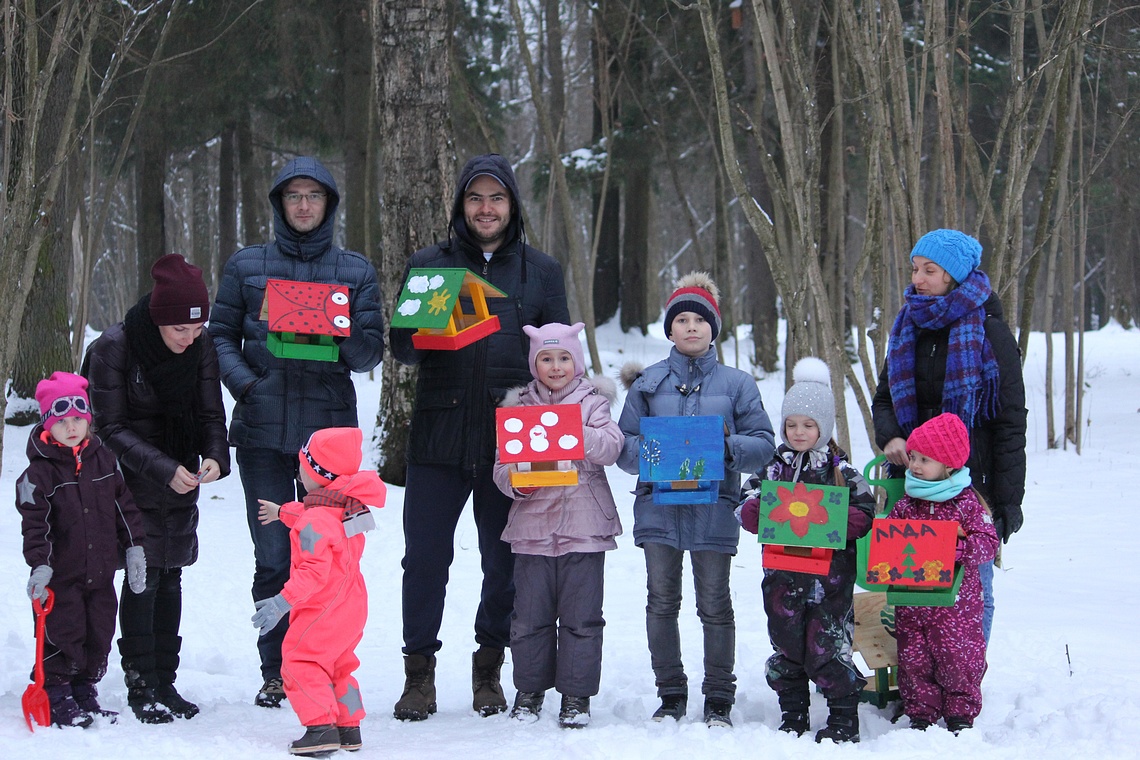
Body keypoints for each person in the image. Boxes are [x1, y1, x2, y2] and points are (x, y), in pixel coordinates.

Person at [390, 153, 570, 721]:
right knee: (423, 560)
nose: (485, 209)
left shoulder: (541, 272)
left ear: (512, 205)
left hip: (511, 440)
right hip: (437, 438)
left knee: (505, 561)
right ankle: (418, 674)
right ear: (460, 206)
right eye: (475, 198)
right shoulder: (430, 263)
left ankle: (489, 667)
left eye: (496, 198)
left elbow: (560, 353)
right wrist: (425, 320)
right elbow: (401, 349)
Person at [210, 156, 385, 707]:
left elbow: (370, 353)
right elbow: (217, 335)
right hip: (262, 431)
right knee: (273, 556)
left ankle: (321, 663)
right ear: (280, 204)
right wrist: (247, 385)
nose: (304, 205)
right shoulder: (247, 265)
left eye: (314, 196)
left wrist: (345, 331)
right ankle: (275, 669)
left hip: (328, 442)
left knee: (327, 558)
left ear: (329, 204)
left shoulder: (354, 270)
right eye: (294, 196)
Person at [617, 272, 775, 728]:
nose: (690, 327)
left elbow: (764, 443)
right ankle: (670, 693)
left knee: (715, 603)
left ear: (714, 328)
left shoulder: (739, 384)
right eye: (681, 319)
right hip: (658, 508)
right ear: (669, 329)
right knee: (661, 601)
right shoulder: (647, 383)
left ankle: (719, 697)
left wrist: (724, 448)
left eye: (699, 320)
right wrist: (654, 451)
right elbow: (624, 448)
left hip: (714, 507)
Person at [83, 254, 231, 724]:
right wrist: (162, 468)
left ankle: (165, 680)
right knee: (142, 574)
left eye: (197, 328)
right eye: (180, 330)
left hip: (180, 474)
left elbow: (211, 413)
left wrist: (214, 457)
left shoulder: (201, 346)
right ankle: (140, 681)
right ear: (158, 318)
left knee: (172, 575)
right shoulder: (115, 348)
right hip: (127, 480)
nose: (190, 339)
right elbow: (107, 426)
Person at [872, 228, 1026, 644]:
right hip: (913, 479)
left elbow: (1010, 422)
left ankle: (965, 684)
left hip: (972, 484)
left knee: (973, 590)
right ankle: (920, 685)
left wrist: (1008, 501)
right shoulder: (908, 326)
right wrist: (890, 439)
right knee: (912, 587)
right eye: (915, 268)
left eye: (930, 270)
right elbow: (884, 398)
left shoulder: (990, 332)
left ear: (954, 276)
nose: (917, 279)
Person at [490, 322, 623, 729]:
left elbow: (612, 447)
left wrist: (572, 432)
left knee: (582, 617)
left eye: (564, 357)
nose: (556, 366)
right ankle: (529, 690)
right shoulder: (519, 407)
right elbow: (502, 466)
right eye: (546, 358)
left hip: (585, 527)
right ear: (534, 364)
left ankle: (576, 695)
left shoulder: (593, 402)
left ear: (577, 361)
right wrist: (518, 482)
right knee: (529, 617)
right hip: (532, 529)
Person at [737, 357, 876, 744]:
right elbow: (746, 501)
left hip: (829, 583)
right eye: (791, 424)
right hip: (782, 579)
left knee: (828, 644)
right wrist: (755, 510)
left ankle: (844, 717)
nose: (798, 432)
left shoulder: (842, 471)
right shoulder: (773, 467)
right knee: (786, 642)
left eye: (808, 425)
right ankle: (793, 712)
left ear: (824, 427)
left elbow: (866, 511)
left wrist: (835, 522)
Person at [16, 371, 147, 727]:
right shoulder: (37, 475)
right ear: (48, 425)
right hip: (61, 576)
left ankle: (85, 690)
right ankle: (57, 693)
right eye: (62, 421)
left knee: (99, 631)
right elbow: (35, 527)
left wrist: (134, 548)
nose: (72, 427)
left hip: (102, 572)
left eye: (79, 418)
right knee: (64, 632)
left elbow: (125, 507)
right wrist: (40, 566)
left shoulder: (103, 461)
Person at [253, 427, 386, 756]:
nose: (299, 473)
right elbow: (315, 518)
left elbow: (313, 569)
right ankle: (348, 726)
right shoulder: (345, 507)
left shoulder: (315, 523)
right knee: (341, 665)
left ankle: (319, 727)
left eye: (303, 468)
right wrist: (282, 511)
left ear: (318, 475)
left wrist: (281, 602)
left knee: (300, 661)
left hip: (323, 606)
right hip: (351, 604)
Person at [889, 413, 998, 734]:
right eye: (913, 457)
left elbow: (987, 542)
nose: (915, 466)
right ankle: (921, 710)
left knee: (957, 657)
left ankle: (960, 710)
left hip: (956, 607)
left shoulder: (966, 504)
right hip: (912, 603)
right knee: (914, 657)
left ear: (948, 465)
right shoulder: (907, 504)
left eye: (925, 459)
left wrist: (952, 551)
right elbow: (890, 540)